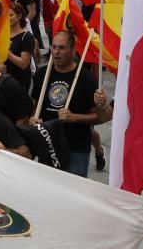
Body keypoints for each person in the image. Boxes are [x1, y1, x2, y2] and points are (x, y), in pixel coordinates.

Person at [30, 30, 98, 177]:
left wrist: (75, 117)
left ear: (73, 50)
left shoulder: (87, 78)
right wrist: (33, 118)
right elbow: (36, 104)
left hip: (76, 147)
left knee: (74, 192)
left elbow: (98, 117)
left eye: (62, 48)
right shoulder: (41, 74)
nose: (56, 52)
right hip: (48, 144)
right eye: (53, 47)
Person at [6, 4, 36, 91]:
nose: (8, 18)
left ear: (19, 16)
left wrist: (7, 53)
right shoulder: (3, 35)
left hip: (20, 80)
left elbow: (24, 64)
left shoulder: (26, 36)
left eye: (11, 15)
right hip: (5, 79)